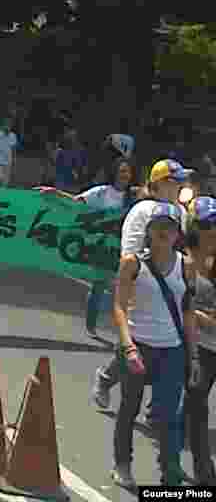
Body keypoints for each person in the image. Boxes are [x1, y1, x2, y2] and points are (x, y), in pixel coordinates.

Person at [92, 158, 191, 409]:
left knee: (169, 341)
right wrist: (135, 280)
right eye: (173, 181)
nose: (179, 186)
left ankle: (158, 407)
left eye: (181, 181)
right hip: (144, 282)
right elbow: (131, 250)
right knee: (137, 342)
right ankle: (106, 378)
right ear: (158, 185)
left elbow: (184, 248)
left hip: (172, 282)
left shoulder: (180, 211)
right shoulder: (143, 210)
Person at [109, 202, 196, 489]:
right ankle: (122, 465)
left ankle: (169, 478)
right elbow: (119, 307)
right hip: (138, 345)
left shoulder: (187, 266)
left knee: (168, 417)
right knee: (129, 409)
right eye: (158, 227)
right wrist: (128, 347)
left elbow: (188, 312)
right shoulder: (132, 264)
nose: (164, 233)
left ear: (177, 234)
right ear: (149, 231)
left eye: (170, 228)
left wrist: (192, 356)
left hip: (171, 350)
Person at [37, 158, 139, 336]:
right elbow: (76, 202)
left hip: (126, 249)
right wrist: (55, 193)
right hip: (102, 249)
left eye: (128, 172)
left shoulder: (136, 195)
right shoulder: (101, 193)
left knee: (128, 290)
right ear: (114, 173)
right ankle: (92, 325)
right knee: (99, 286)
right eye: (122, 171)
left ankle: (129, 331)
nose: (125, 175)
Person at [182, 196, 216, 484]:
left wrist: (202, 316)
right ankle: (204, 473)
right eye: (207, 225)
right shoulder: (182, 261)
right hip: (196, 348)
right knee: (197, 407)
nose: (213, 230)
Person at [0, 117, 20, 186]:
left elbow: (13, 148)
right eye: (6, 125)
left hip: (8, 158)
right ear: (3, 125)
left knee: (6, 178)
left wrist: (14, 159)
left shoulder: (13, 136)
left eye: (9, 125)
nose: (8, 126)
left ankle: (4, 191)